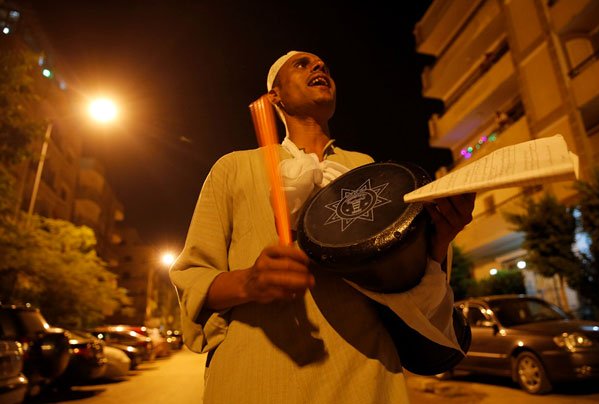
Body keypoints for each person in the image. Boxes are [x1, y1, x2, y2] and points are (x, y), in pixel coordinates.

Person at [170, 51, 475, 404]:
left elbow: (401, 278)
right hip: (257, 378)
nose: (318, 67)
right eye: (301, 64)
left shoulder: (366, 168)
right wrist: (248, 281)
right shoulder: (234, 168)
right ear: (275, 96)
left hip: (366, 376)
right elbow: (193, 277)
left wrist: (437, 240)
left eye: (324, 66)